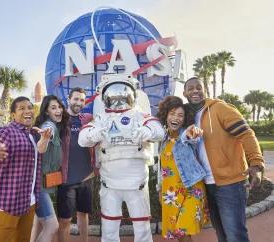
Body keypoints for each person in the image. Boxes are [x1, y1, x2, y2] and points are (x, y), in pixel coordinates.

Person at [79, 74, 165, 242]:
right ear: (105, 97)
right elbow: (82, 138)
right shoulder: (102, 119)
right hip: (110, 183)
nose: (119, 100)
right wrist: (93, 134)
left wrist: (147, 132)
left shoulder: (141, 116)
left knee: (142, 227)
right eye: (114, 95)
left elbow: (159, 131)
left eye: (123, 94)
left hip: (137, 182)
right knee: (109, 227)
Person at [183, 77, 265, 242]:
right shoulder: (189, 117)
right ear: (184, 93)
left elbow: (246, 134)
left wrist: (256, 165)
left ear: (204, 89)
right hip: (207, 184)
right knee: (222, 235)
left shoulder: (219, 108)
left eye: (198, 87)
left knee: (235, 235)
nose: (195, 91)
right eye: (190, 88)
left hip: (231, 183)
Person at [0, 96, 50, 242]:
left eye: (29, 107)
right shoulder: (7, 132)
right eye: (21, 108)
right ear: (13, 115)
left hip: (29, 203)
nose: (27, 111)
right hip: (8, 205)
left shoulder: (32, 135)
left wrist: (45, 139)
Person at [156, 96, 208, 241]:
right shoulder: (162, 139)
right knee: (178, 234)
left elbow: (191, 136)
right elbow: (160, 167)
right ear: (166, 115)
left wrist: (192, 132)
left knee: (183, 229)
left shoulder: (186, 134)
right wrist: (159, 188)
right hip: (170, 192)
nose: (176, 118)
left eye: (180, 115)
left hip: (192, 188)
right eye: (172, 113)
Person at [57, 87, 95, 242]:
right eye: (76, 99)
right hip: (66, 178)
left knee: (83, 214)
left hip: (86, 177)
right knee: (65, 220)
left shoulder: (87, 119)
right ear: (69, 99)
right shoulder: (60, 120)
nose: (79, 102)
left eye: (81, 100)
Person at [30, 95, 69, 242]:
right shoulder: (49, 125)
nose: (58, 110)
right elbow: (45, 137)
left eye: (59, 106)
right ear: (46, 112)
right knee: (52, 226)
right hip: (39, 186)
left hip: (46, 183)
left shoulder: (57, 125)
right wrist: (46, 137)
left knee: (39, 223)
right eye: (53, 108)